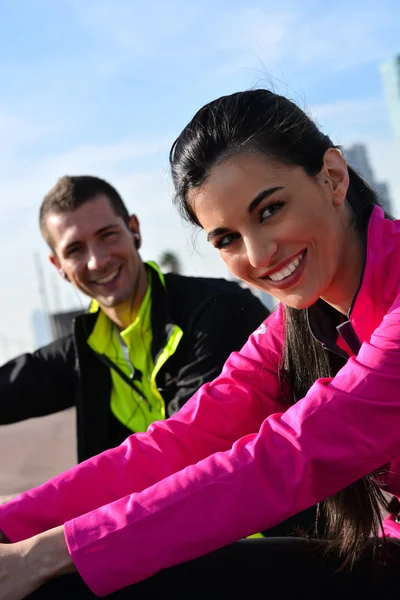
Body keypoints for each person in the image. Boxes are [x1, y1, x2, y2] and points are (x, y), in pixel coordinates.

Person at [1, 89, 400, 599]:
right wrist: (12, 525)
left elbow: (289, 457)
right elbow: (181, 441)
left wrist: (50, 550)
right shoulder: (297, 322)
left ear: (333, 177)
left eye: (271, 209)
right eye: (227, 239)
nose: (258, 254)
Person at [0, 175, 268, 463]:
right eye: (75, 249)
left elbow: (190, 447)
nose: (97, 260)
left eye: (107, 235)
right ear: (58, 266)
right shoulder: (84, 349)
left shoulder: (217, 310)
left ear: (134, 230)